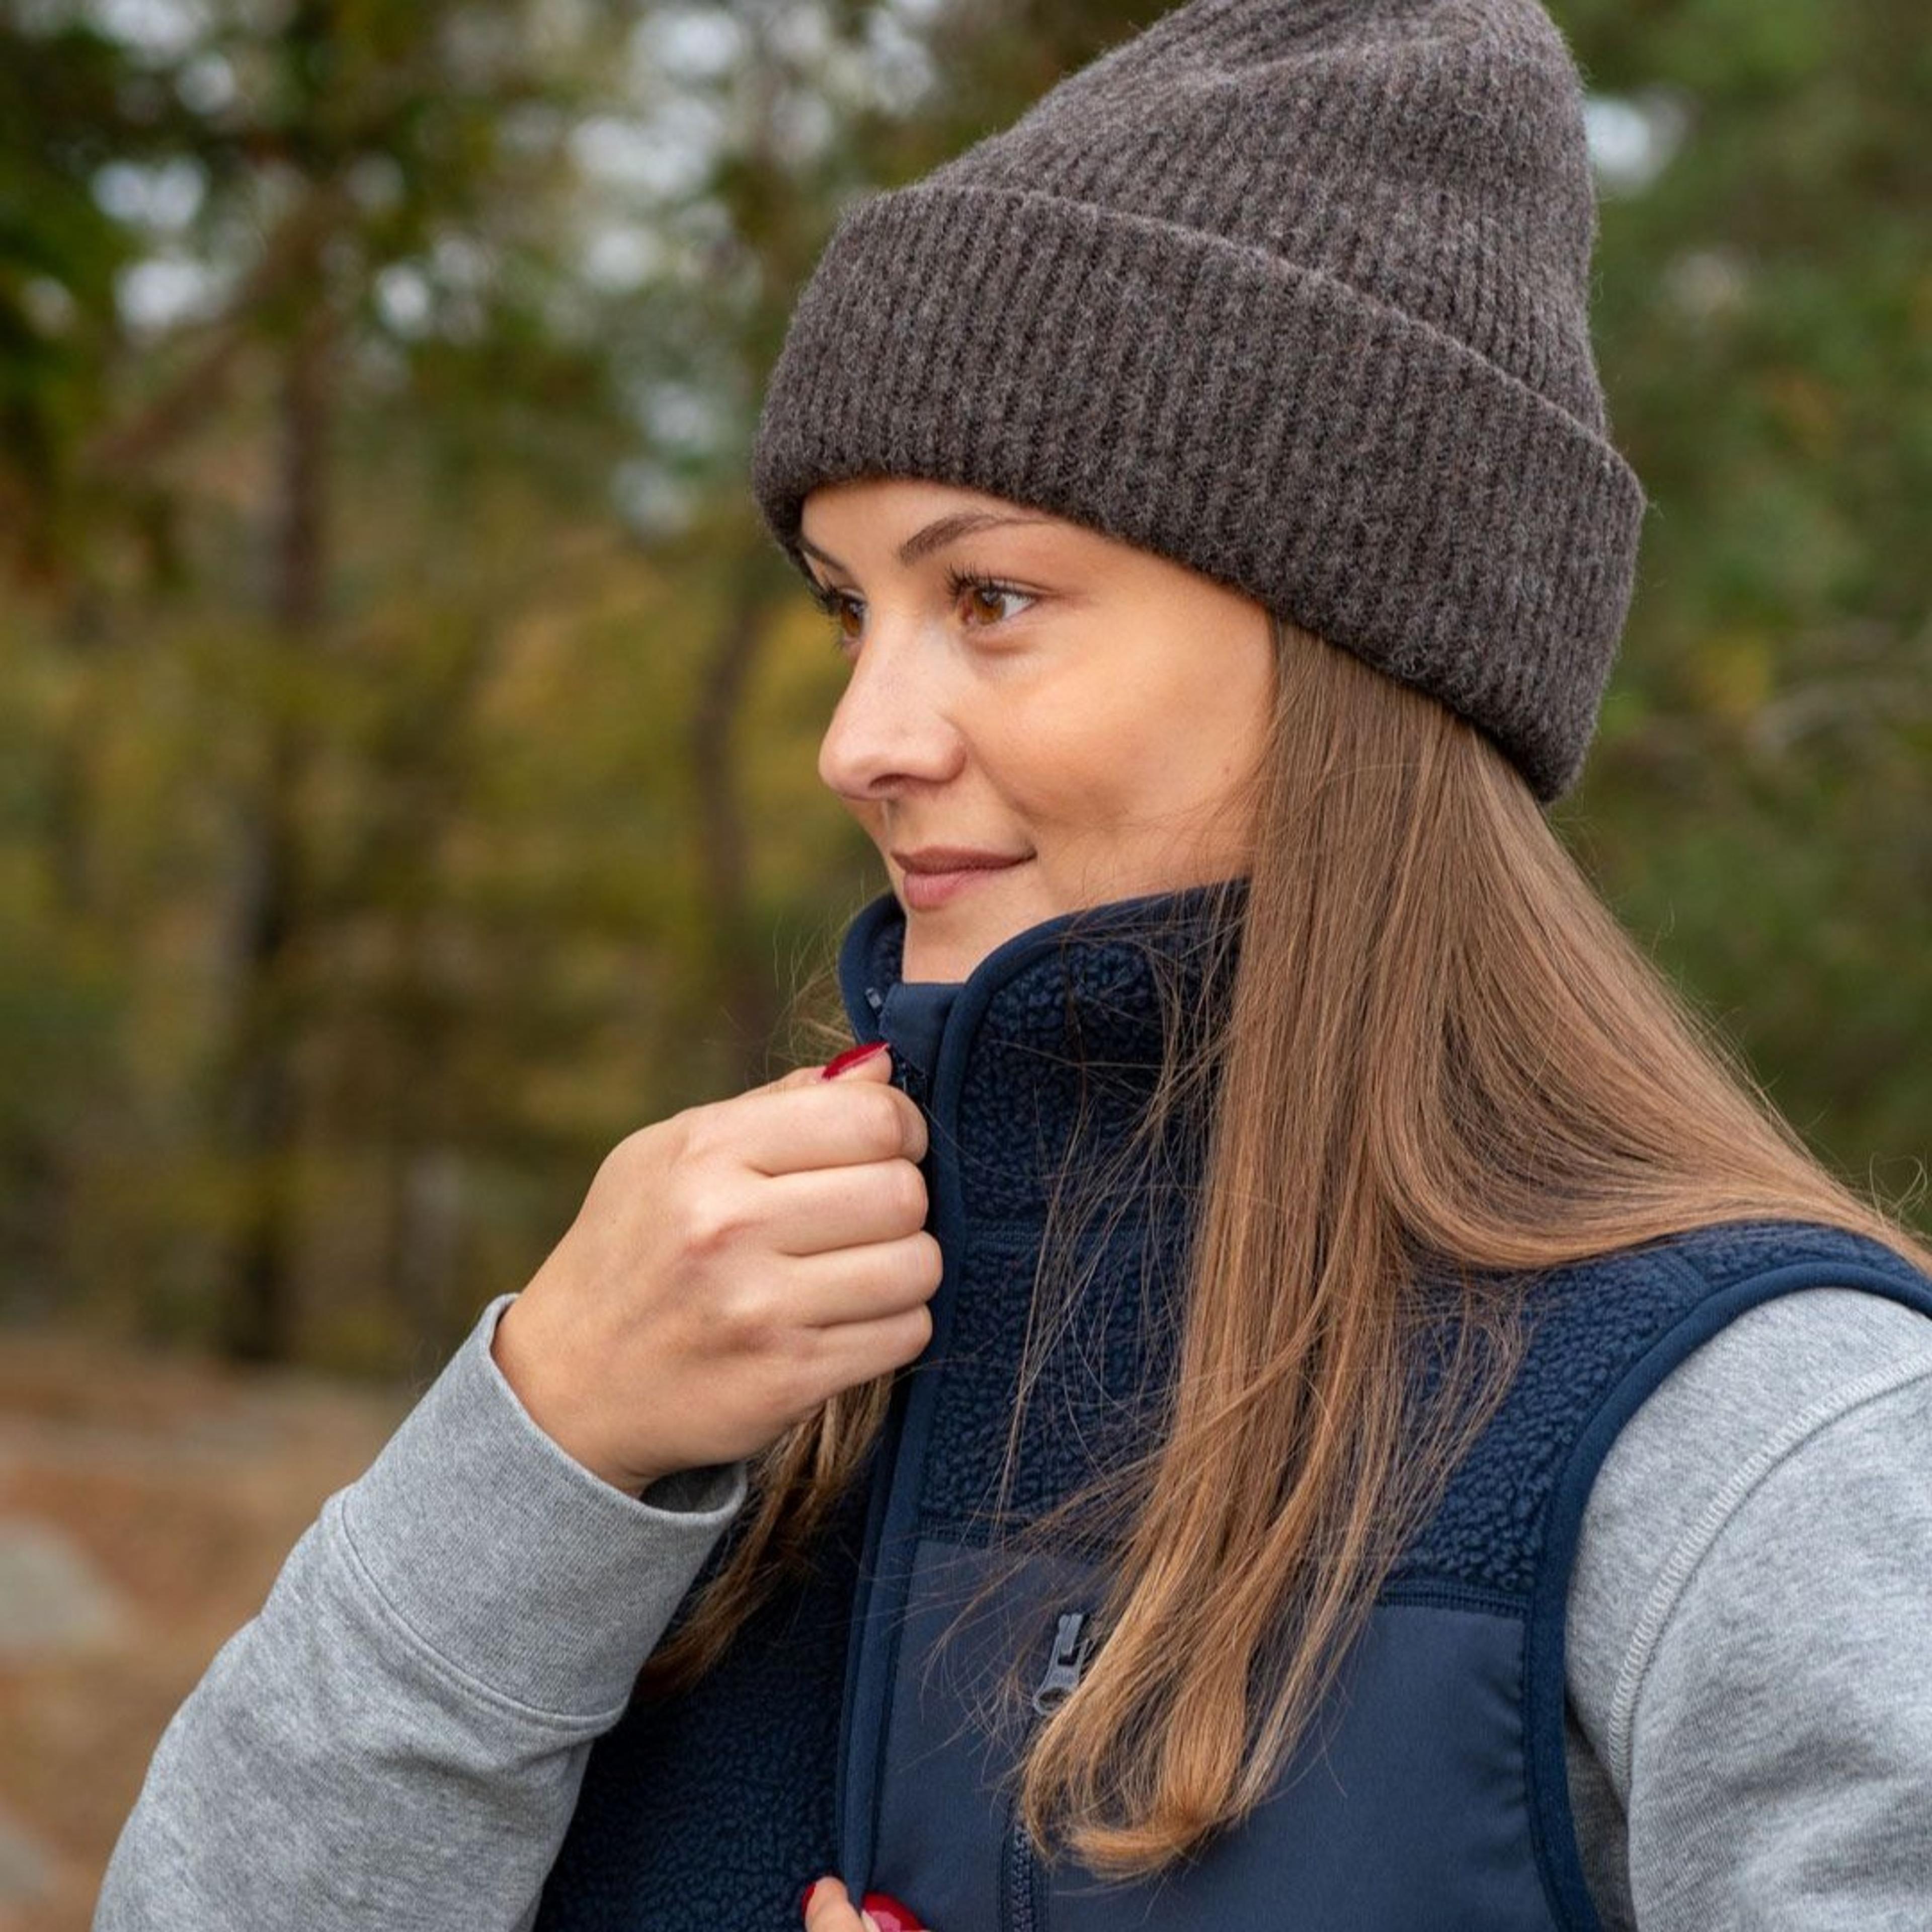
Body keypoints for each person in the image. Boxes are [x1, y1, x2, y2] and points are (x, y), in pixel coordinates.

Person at [96, 1, 1932, 1928]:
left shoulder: (1763, 1442)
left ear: (1364, 650)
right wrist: (542, 1441)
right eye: (843, 610)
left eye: (990, 597)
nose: (859, 739)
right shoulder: (710, 1342)